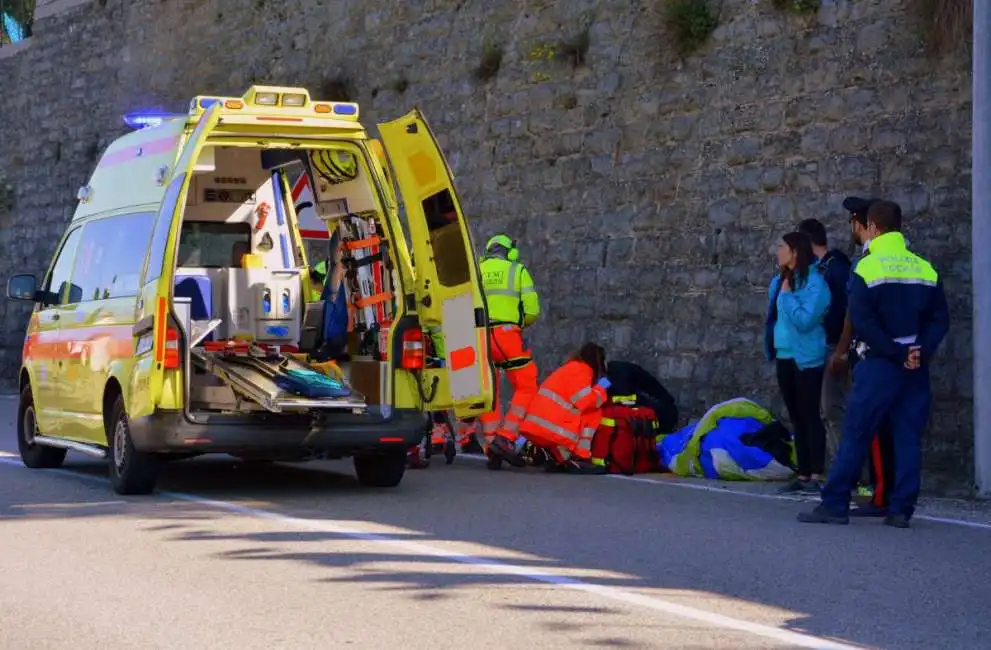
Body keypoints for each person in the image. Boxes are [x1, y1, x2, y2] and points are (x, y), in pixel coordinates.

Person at [799, 200, 949, 528]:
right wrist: (919, 350)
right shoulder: (924, 267)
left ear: (874, 227)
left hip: (880, 363)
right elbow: (939, 319)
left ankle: (835, 503)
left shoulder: (866, 267)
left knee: (856, 432)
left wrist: (895, 352)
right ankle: (901, 510)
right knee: (908, 436)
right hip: (915, 365)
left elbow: (862, 321)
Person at [830, 197, 895, 516]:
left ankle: (875, 495)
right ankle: (887, 494)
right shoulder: (904, 259)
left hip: (871, 354)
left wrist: (841, 352)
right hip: (897, 353)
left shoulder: (867, 263)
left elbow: (853, 314)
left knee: (869, 427)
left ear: (863, 224)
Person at [765, 232, 832, 494]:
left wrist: (787, 296)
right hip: (784, 355)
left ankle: (817, 473)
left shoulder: (815, 284)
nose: (777, 250)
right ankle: (803, 473)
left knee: (810, 415)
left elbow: (805, 321)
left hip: (807, 357)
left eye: (781, 246)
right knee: (795, 415)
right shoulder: (780, 281)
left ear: (795, 252)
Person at [490, 342, 610, 474]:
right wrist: (601, 388)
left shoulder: (570, 368)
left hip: (535, 428)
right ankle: (580, 457)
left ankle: (559, 455)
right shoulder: (582, 370)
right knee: (594, 412)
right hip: (549, 431)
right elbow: (585, 402)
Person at [476, 234, 541, 469]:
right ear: (510, 252)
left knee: (488, 390)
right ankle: (506, 437)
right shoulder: (517, 270)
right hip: (506, 336)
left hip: (479, 337)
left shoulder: (477, 270)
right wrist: (520, 324)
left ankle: (492, 443)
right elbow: (532, 310)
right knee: (526, 385)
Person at [796, 218, 852, 462]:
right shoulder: (817, 269)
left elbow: (848, 310)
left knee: (833, 410)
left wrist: (841, 350)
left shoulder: (835, 268)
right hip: (819, 348)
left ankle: (849, 473)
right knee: (823, 410)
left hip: (834, 347)